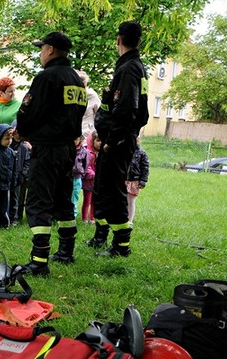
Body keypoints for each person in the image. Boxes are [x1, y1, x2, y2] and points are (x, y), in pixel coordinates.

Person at [15, 32, 86, 276]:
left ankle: (39, 259)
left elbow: (29, 110)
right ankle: (67, 249)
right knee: (63, 198)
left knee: (38, 201)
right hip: (67, 148)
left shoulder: (46, 78)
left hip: (46, 147)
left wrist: (22, 131)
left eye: (42, 48)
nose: (40, 52)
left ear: (51, 50)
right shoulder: (76, 80)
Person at [89, 21, 149, 257]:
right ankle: (100, 236)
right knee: (102, 189)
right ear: (139, 41)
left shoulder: (128, 69)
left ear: (118, 40)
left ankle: (121, 246)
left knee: (113, 191)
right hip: (118, 139)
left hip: (118, 141)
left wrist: (111, 141)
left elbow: (125, 110)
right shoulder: (135, 67)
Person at [126, 136, 149, 225]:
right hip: (124, 180)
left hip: (134, 180)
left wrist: (143, 180)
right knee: (122, 201)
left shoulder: (142, 153)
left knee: (131, 201)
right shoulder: (124, 151)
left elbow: (145, 168)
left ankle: (129, 221)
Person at [77, 70, 100, 138]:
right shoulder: (71, 95)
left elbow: (99, 115)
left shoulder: (92, 95)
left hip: (87, 136)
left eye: (82, 80)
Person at [82, 131, 99, 223]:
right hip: (88, 182)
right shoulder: (88, 152)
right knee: (87, 201)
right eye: (98, 140)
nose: (100, 143)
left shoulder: (101, 153)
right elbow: (87, 166)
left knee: (94, 201)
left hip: (97, 182)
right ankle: (84, 218)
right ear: (93, 141)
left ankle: (92, 218)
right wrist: (93, 175)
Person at [71, 136, 88, 217]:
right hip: (67, 177)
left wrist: (81, 174)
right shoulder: (68, 149)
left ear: (80, 140)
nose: (74, 141)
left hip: (77, 178)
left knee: (75, 197)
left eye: (76, 139)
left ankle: (73, 216)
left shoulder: (84, 151)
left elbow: (86, 165)